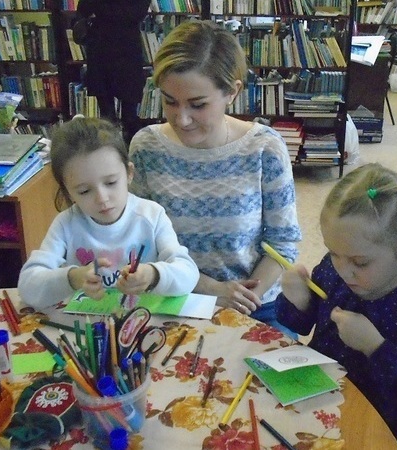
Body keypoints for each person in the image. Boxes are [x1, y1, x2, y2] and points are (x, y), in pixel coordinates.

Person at [128, 21, 301, 336]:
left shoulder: (264, 147)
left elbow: (283, 243)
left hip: (255, 304)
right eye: (169, 101)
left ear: (232, 92)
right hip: (174, 299)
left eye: (198, 105)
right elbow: (141, 241)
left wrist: (243, 299)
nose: (181, 119)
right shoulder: (146, 147)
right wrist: (211, 289)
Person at [275, 163, 397, 448]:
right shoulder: (334, 269)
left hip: (378, 424)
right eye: (333, 253)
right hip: (313, 398)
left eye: (360, 262)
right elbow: (300, 324)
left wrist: (375, 347)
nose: (343, 270)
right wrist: (298, 300)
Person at [18, 118, 199, 310]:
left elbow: (188, 274)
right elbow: (28, 287)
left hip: (142, 320)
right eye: (84, 191)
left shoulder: (152, 215)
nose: (102, 198)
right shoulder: (66, 224)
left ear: (129, 173)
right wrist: (72, 278)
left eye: (111, 183)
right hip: (86, 324)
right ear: (67, 192)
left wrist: (153, 275)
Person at [76, 0, 151, 142]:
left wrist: (102, 10)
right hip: (102, 50)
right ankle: (111, 151)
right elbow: (83, 9)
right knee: (107, 117)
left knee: (130, 117)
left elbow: (137, 13)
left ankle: (130, 151)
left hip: (126, 51)